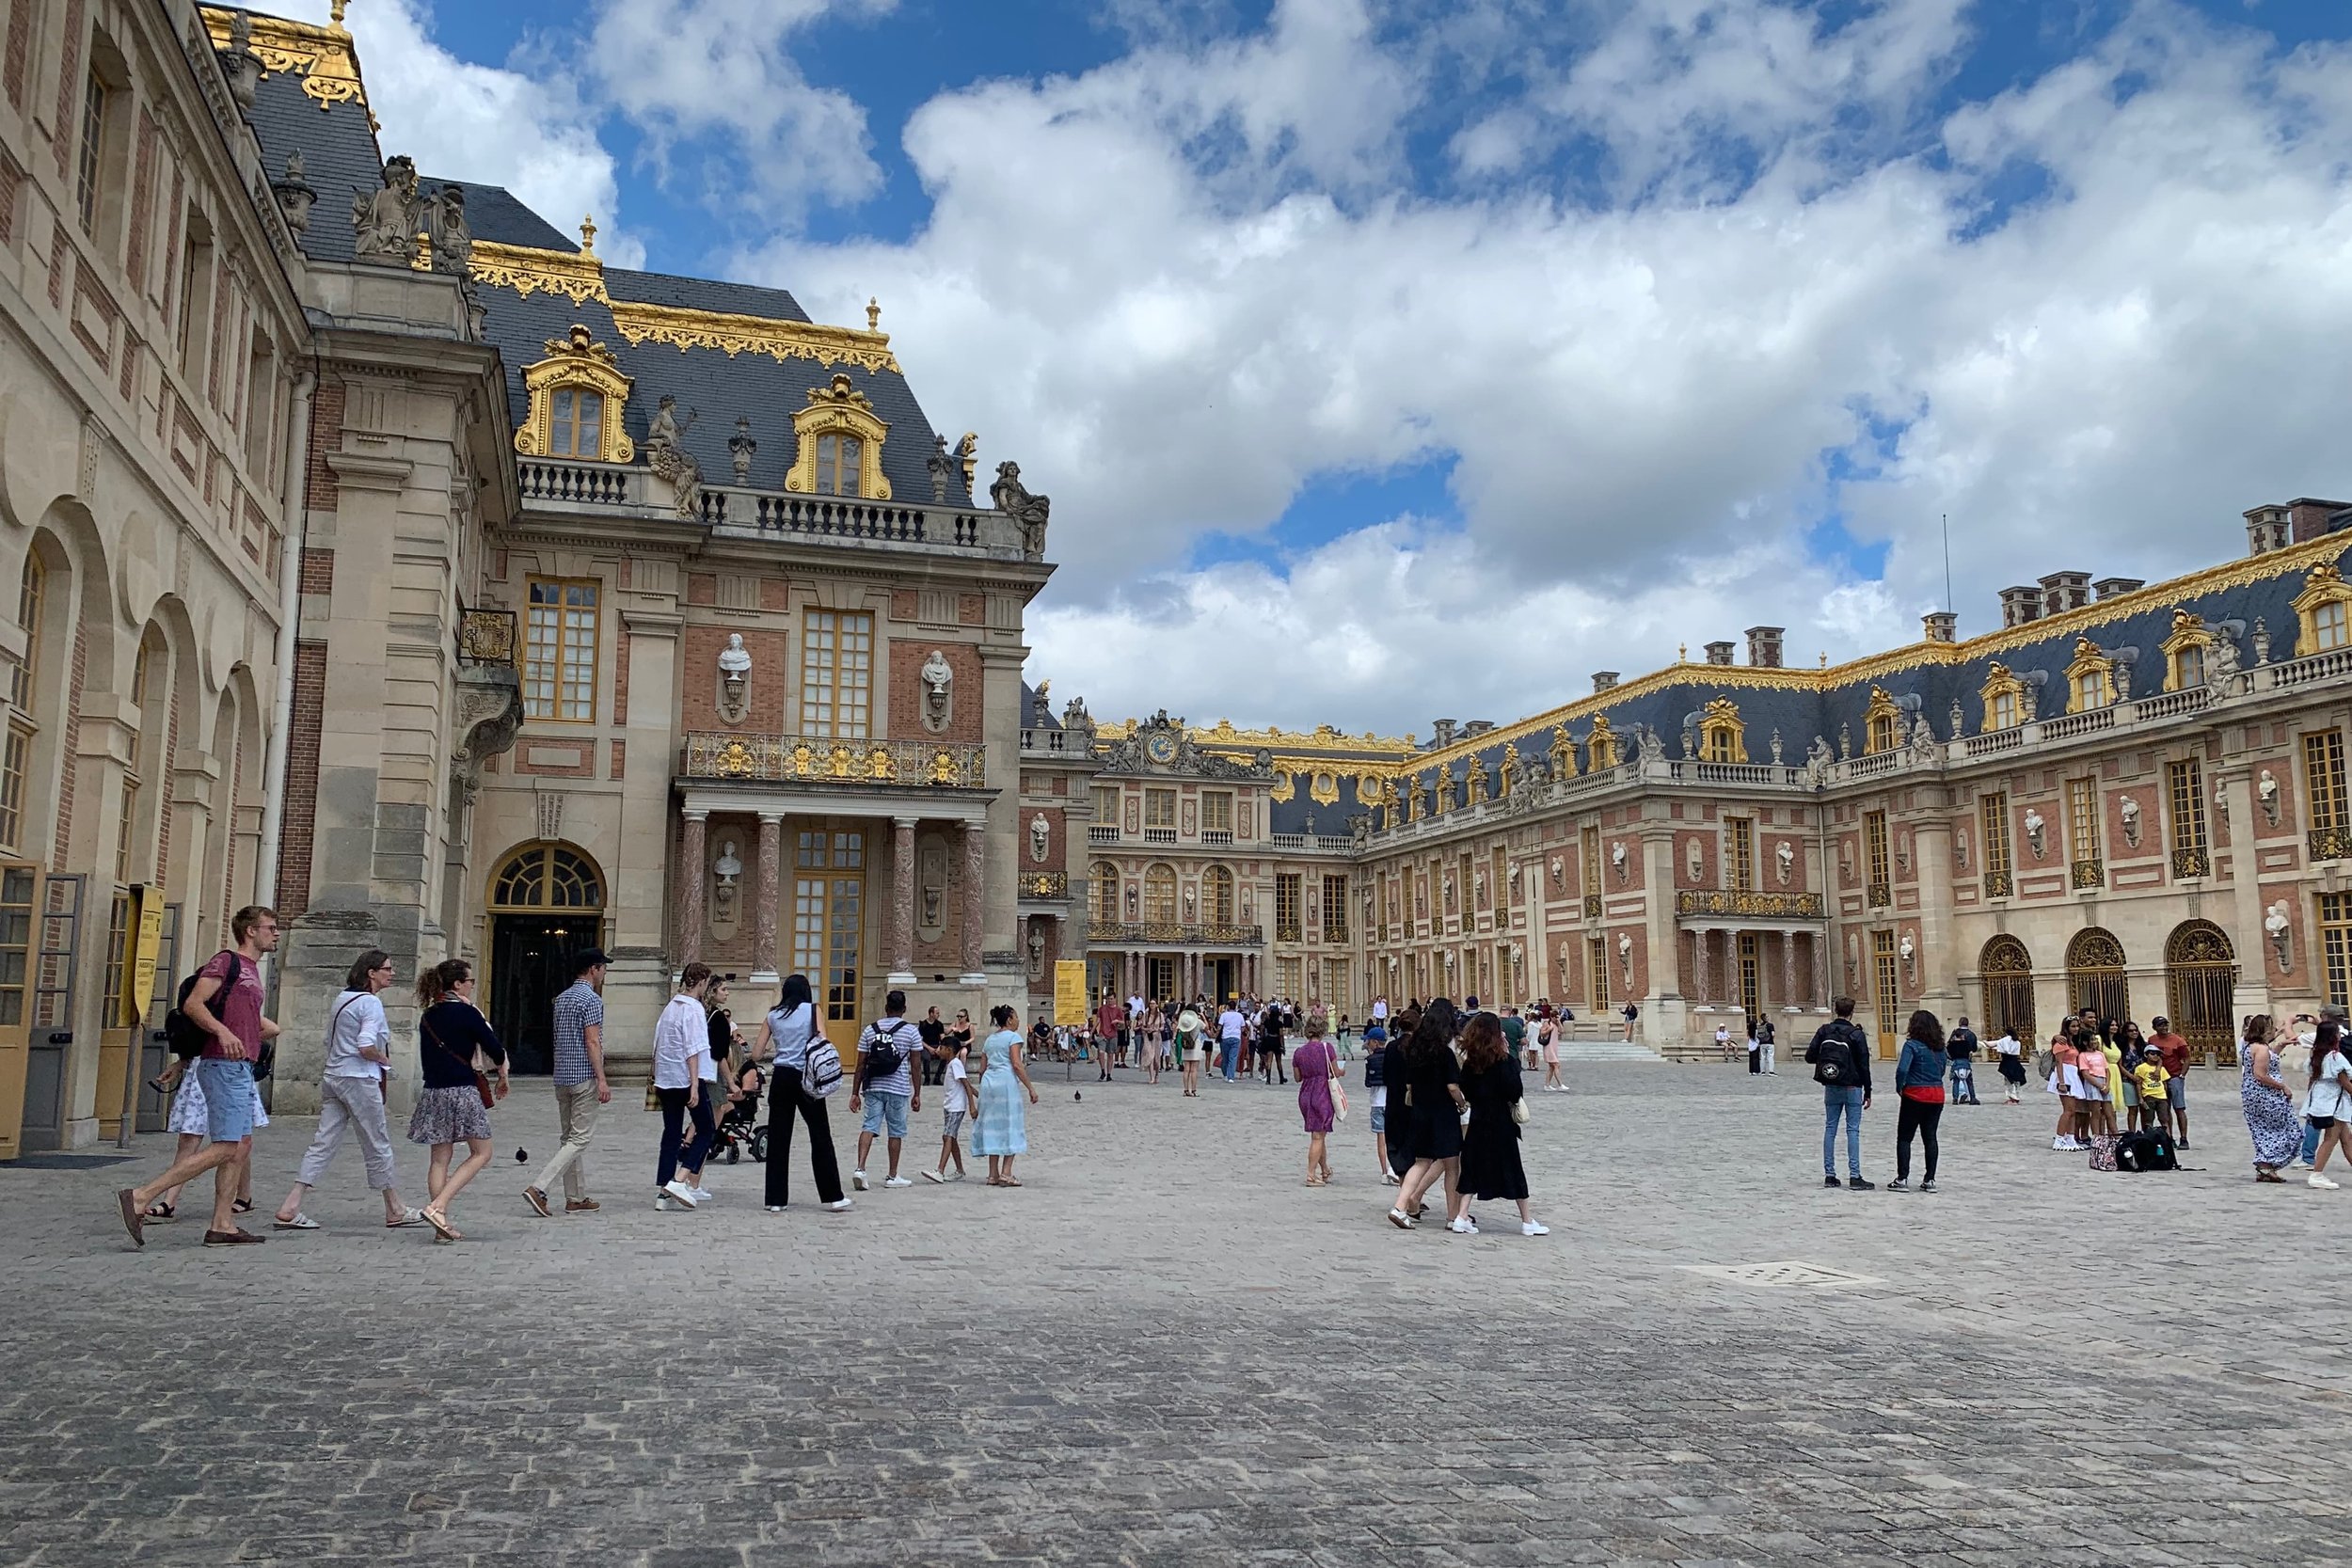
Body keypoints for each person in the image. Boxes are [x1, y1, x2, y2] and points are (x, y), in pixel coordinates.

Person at [118, 907, 284, 1248]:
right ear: (250, 931)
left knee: (238, 1148)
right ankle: (142, 1195)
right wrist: (223, 1033)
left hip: (239, 1067)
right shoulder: (226, 962)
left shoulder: (252, 970)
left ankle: (222, 1224)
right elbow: (194, 1004)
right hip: (223, 1066)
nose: (276, 933)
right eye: (271, 927)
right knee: (226, 1146)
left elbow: (246, 1020)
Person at [271, 950, 421, 1232]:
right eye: (386, 969)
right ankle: (395, 1208)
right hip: (359, 1079)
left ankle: (291, 1204)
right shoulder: (370, 1003)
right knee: (377, 1142)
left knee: (323, 1141)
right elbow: (365, 1045)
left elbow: (330, 1038)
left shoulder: (342, 998)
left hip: (334, 1076)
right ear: (371, 973)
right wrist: (382, 1058)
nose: (391, 973)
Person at [408, 958, 509, 1241]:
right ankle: (438, 1206)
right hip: (462, 1090)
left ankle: (441, 1226)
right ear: (457, 984)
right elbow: (495, 1049)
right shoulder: (467, 1014)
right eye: (470, 981)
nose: (472, 986)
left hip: (433, 1091)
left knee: (440, 1159)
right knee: (482, 1152)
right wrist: (501, 1071)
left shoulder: (428, 1015)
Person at [524, 948, 611, 1218]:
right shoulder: (592, 1000)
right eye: (603, 967)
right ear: (593, 969)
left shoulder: (561, 999)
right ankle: (540, 1187)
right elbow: (592, 1041)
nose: (604, 973)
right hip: (584, 1075)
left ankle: (575, 1196)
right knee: (579, 1139)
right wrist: (602, 1078)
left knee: (568, 1138)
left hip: (562, 1076)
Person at [761, 974, 850, 1212]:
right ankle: (833, 1196)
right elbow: (823, 1039)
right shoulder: (813, 1010)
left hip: (781, 1076)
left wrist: (781, 1044)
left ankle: (776, 1199)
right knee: (820, 1135)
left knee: (779, 1138)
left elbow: (757, 1053)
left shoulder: (773, 1015)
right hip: (806, 1077)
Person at [1454, 1010, 1547, 1236]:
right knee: (1513, 1168)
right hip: (1501, 1122)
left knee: (1472, 1168)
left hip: (1478, 1120)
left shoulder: (1471, 1063)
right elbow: (1515, 1091)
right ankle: (1527, 1221)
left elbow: (1465, 1090)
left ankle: (1461, 1216)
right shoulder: (1505, 1061)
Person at [1389, 999, 1466, 1230]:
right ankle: (1453, 1217)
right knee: (1452, 1166)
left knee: (1421, 1162)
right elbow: (1452, 1087)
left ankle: (1400, 1206)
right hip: (1443, 1114)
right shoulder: (1445, 1054)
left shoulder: (1412, 1051)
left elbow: (1410, 1087)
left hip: (1419, 1113)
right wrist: (1462, 1104)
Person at [651, 964, 713, 1212]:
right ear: (700, 982)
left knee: (672, 1132)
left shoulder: (669, 1008)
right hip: (685, 1078)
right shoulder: (693, 1009)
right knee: (707, 1129)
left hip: (666, 1078)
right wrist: (695, 1085)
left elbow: (658, 1043)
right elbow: (693, 1048)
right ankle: (680, 1178)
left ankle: (663, 1191)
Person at [850, 990, 924, 1190]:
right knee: (896, 1131)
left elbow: (860, 1064)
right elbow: (916, 1065)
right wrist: (917, 1092)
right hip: (898, 1087)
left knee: (869, 1125)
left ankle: (860, 1168)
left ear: (886, 1008)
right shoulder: (911, 1032)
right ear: (904, 1009)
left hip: (873, 1085)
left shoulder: (870, 1030)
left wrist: (855, 1092)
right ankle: (892, 1175)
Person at [1804, 997, 1874, 1190]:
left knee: (1830, 1129)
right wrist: (1868, 1091)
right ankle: (1855, 1175)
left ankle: (1830, 1174)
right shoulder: (1856, 1034)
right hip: (1852, 1086)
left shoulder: (1824, 1031)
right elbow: (1864, 1066)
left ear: (1835, 1010)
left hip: (1831, 1085)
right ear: (1852, 1012)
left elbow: (1809, 1057)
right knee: (1852, 1130)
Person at [974, 1003, 1039, 1185]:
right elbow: (1017, 1065)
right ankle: (1006, 1171)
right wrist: (1030, 1088)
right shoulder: (1013, 1037)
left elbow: (981, 1069)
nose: (1017, 1020)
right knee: (1011, 1125)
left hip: (989, 1083)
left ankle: (992, 1173)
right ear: (1010, 1019)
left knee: (993, 1127)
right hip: (1005, 1083)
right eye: (1016, 1016)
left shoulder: (989, 1040)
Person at [1888, 1010, 1947, 1193]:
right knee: (1930, 1137)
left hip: (1915, 1094)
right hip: (1937, 1094)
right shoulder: (1940, 1048)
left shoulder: (1911, 1045)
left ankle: (1902, 1178)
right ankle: (1930, 1179)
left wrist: (1900, 1087)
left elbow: (1902, 1070)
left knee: (1905, 1138)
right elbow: (1943, 1070)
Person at [2240, 1015, 2299, 1182]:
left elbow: (2269, 1060)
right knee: (2278, 1128)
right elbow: (2260, 1074)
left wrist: (2280, 1045)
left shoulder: (2253, 1046)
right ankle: (2267, 1165)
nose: (2274, 1030)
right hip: (2264, 1094)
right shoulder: (2261, 1048)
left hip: (2253, 1094)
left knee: (2262, 1129)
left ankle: (2265, 1166)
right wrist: (2282, 1086)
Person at [2304, 1020, 2352, 1190]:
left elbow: (2312, 1079)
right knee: (2330, 1139)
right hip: (2335, 1102)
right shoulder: (2335, 1057)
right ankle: (2317, 1174)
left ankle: (2317, 1173)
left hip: (2322, 1100)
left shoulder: (2315, 1054)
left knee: (2347, 1139)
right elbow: (2345, 1082)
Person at [1294, 1015, 1340, 1185]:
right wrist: (1341, 1072)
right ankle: (1311, 1174)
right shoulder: (1327, 1048)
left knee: (1318, 1134)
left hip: (1305, 1094)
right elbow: (1334, 1072)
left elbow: (1297, 1077)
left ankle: (1325, 1169)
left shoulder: (1299, 1052)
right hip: (1322, 1093)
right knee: (1318, 1136)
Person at [924, 1028, 972, 1183]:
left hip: (956, 1107)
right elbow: (966, 1084)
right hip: (950, 1106)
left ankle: (940, 1170)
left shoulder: (956, 1064)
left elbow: (965, 1083)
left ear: (949, 1050)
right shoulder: (951, 1064)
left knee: (947, 1136)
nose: (939, 1050)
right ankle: (959, 1170)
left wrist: (972, 1105)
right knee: (952, 1138)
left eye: (941, 1048)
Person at [2147, 1014, 2191, 1147]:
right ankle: (2169, 1137)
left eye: (2165, 1024)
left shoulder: (2178, 1040)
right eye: (2160, 1025)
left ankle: (2184, 1138)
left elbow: (2187, 1058)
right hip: (2159, 1078)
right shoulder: (2152, 1040)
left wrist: (2182, 1075)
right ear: (2154, 1027)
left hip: (2174, 1076)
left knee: (2179, 1108)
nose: (2164, 1027)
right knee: (2164, 1109)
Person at [1362, 1023, 1395, 1182]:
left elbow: (1368, 1082)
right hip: (1392, 1101)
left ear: (1375, 1042)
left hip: (1377, 1102)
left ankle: (1384, 1172)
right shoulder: (1392, 1056)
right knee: (1394, 1137)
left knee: (1381, 1138)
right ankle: (1394, 1168)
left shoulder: (1370, 1060)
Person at [2131, 1048, 2170, 1134]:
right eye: (2152, 1053)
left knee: (2164, 1120)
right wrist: (2140, 1098)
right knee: (2148, 1121)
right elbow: (2139, 1083)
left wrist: (2165, 1096)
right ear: (2146, 1055)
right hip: (2148, 1096)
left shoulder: (2161, 1069)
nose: (2155, 1056)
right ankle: (2148, 1140)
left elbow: (2164, 1083)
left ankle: (2168, 1140)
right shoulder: (2141, 1068)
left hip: (2161, 1097)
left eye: (2157, 1054)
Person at [1947, 1016, 1980, 1105]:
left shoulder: (1953, 1041)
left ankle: (1955, 1098)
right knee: (1969, 1081)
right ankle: (1972, 1097)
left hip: (1956, 1062)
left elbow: (1948, 1048)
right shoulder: (1970, 1036)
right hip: (1965, 1061)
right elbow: (1973, 1048)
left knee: (1956, 1081)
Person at [1174, 1003, 1203, 1096]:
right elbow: (1206, 1028)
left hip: (1186, 1045)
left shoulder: (1183, 1021)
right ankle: (1194, 1090)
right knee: (1194, 1070)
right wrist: (1203, 1016)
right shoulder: (1198, 1022)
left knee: (1186, 1069)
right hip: (1195, 1045)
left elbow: (1177, 1029)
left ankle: (1186, 1090)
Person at [1256, 1000, 1288, 1085]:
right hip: (1276, 1040)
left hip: (1269, 1040)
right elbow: (1281, 1035)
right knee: (1278, 1061)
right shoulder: (1279, 1023)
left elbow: (1262, 1029)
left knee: (1269, 1061)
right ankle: (1281, 1078)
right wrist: (1282, 1046)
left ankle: (1268, 1079)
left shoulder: (1267, 1021)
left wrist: (1262, 1038)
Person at [1216, 998, 1247, 1084]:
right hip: (1236, 1037)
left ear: (1228, 1007)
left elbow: (1219, 1026)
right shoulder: (1239, 1016)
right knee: (1233, 1058)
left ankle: (1225, 1074)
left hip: (1225, 1037)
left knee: (1225, 1057)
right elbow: (1243, 1027)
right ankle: (1231, 1077)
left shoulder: (1224, 1015)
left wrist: (1216, 1035)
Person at [1994, 1026, 2026, 1102]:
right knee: (2015, 1078)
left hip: (2007, 1060)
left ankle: (2013, 1094)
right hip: (2015, 1060)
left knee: (2008, 1078)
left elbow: (2007, 1050)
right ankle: (2016, 1094)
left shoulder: (2005, 1040)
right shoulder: (2017, 1042)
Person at [1535, 1007, 1564, 1092]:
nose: (1557, 1019)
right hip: (1548, 1047)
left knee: (1551, 1067)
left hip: (1554, 1047)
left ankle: (1547, 1085)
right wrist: (1549, 1029)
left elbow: (1562, 1031)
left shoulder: (1556, 1024)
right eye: (1556, 1018)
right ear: (1553, 1017)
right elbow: (1542, 1033)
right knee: (1556, 1065)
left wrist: (1559, 1022)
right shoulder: (1547, 1024)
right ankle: (1560, 1084)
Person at [918, 1005, 946, 1087]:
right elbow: (920, 1040)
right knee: (926, 1058)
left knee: (945, 1057)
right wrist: (929, 1048)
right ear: (931, 1014)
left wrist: (939, 1048)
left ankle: (937, 1078)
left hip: (937, 1045)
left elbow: (943, 1038)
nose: (938, 1015)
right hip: (926, 1046)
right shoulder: (923, 1024)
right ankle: (927, 1079)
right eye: (937, 1013)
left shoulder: (939, 1024)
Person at [1503, 1005, 1530, 1071]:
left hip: (1497, 1056)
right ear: (1510, 1012)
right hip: (1513, 1054)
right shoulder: (1517, 1023)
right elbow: (1524, 1041)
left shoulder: (1494, 1023)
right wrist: (1517, 1042)